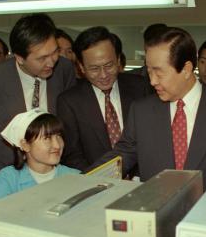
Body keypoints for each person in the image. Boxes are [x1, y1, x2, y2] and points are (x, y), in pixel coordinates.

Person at [92, 26, 206, 188]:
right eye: (149, 71)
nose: (152, 81)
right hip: (155, 209)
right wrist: (80, 183)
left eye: (159, 72)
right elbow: (121, 157)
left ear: (186, 69)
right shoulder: (142, 111)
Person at [0, 13, 76, 196]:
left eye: (54, 52)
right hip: (11, 184)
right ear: (19, 58)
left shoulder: (64, 70)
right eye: (42, 58)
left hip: (57, 178)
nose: (51, 62)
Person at [57, 26, 149, 171]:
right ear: (81, 67)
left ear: (118, 60)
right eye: (94, 68)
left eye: (109, 65)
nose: (103, 75)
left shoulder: (142, 88)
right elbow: (72, 155)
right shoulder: (69, 102)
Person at [0, 109, 79, 199]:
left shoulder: (75, 177)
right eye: (47, 138)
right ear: (25, 145)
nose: (57, 145)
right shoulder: (8, 179)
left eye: (59, 136)